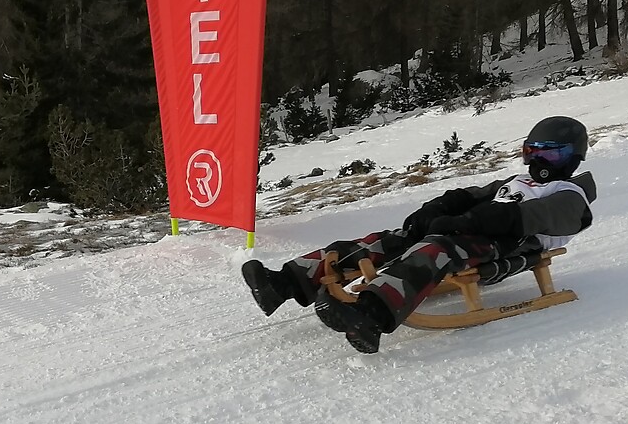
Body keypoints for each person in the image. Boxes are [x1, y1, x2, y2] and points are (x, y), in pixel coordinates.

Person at [241, 115, 596, 353]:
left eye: (551, 155)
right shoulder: (519, 180)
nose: (539, 162)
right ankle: (286, 282)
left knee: (437, 249)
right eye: (533, 152)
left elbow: (523, 217)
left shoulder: (571, 197)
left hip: (506, 245)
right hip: (477, 232)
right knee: (391, 239)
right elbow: (475, 195)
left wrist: (464, 222)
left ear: (573, 157)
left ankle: (371, 316)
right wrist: (438, 208)